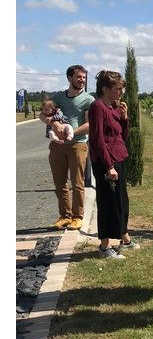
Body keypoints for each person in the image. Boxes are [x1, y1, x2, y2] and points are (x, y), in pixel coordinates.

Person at [88, 70, 138, 259]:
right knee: (108, 203)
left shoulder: (112, 107)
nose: (120, 93)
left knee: (121, 201)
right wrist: (109, 166)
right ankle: (104, 247)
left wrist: (124, 118)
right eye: (117, 89)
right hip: (106, 162)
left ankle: (124, 238)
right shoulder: (98, 107)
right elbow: (98, 140)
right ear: (105, 88)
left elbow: (120, 137)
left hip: (118, 157)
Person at [40, 65, 94, 231]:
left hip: (77, 145)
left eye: (84, 77)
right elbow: (43, 115)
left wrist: (70, 132)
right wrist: (54, 123)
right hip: (57, 146)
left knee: (77, 184)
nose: (82, 80)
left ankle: (77, 217)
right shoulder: (58, 97)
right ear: (69, 78)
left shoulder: (88, 99)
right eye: (79, 77)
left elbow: (89, 124)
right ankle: (65, 216)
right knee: (60, 183)